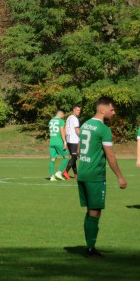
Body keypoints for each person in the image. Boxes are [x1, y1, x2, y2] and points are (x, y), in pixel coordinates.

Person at [77, 96, 127, 258]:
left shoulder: (85, 124)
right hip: (95, 175)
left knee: (90, 210)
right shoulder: (103, 129)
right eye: (111, 109)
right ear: (102, 110)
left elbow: (78, 149)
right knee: (95, 210)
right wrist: (120, 177)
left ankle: (89, 246)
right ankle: (90, 248)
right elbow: (111, 156)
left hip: (82, 172)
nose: (114, 112)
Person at [48, 109, 68, 181]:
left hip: (52, 142)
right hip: (59, 142)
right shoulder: (61, 121)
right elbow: (62, 132)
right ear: (61, 114)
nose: (63, 116)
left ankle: (52, 176)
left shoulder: (51, 121)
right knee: (67, 157)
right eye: (63, 115)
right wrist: (65, 142)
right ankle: (59, 172)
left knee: (52, 159)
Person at [63, 105, 82, 179]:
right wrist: (83, 135)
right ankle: (66, 171)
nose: (78, 112)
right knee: (74, 156)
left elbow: (66, 128)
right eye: (77, 110)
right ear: (74, 110)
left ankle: (75, 174)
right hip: (73, 140)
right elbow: (77, 130)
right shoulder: (74, 119)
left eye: (79, 110)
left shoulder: (69, 118)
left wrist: (65, 140)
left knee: (73, 157)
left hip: (69, 140)